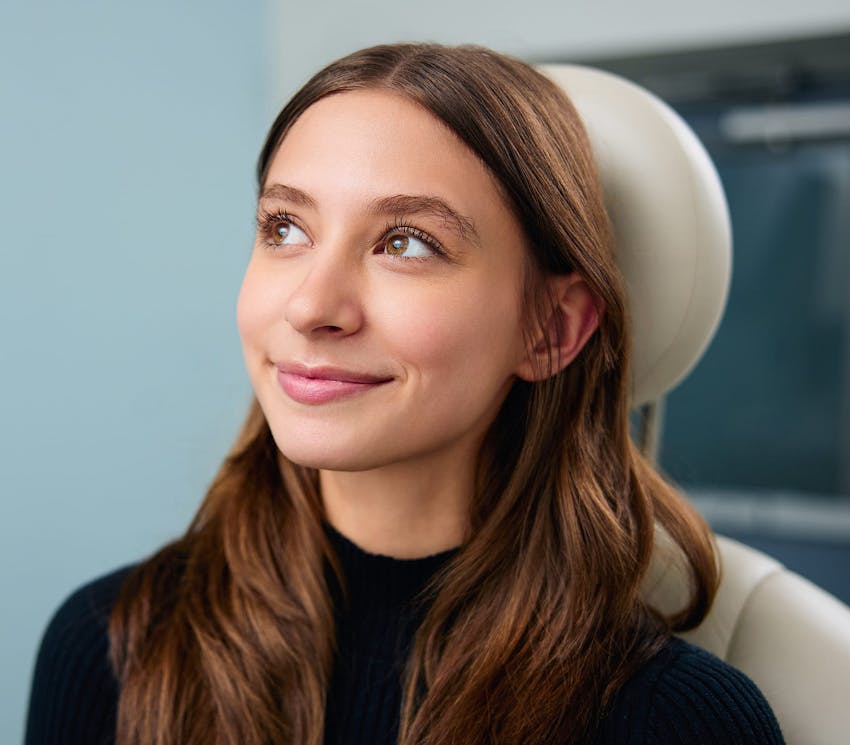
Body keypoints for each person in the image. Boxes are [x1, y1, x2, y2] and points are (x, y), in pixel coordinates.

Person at [24, 43, 784, 745]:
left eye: (405, 243)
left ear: (549, 328)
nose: (310, 305)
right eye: (285, 227)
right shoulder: (108, 649)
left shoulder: (678, 720)